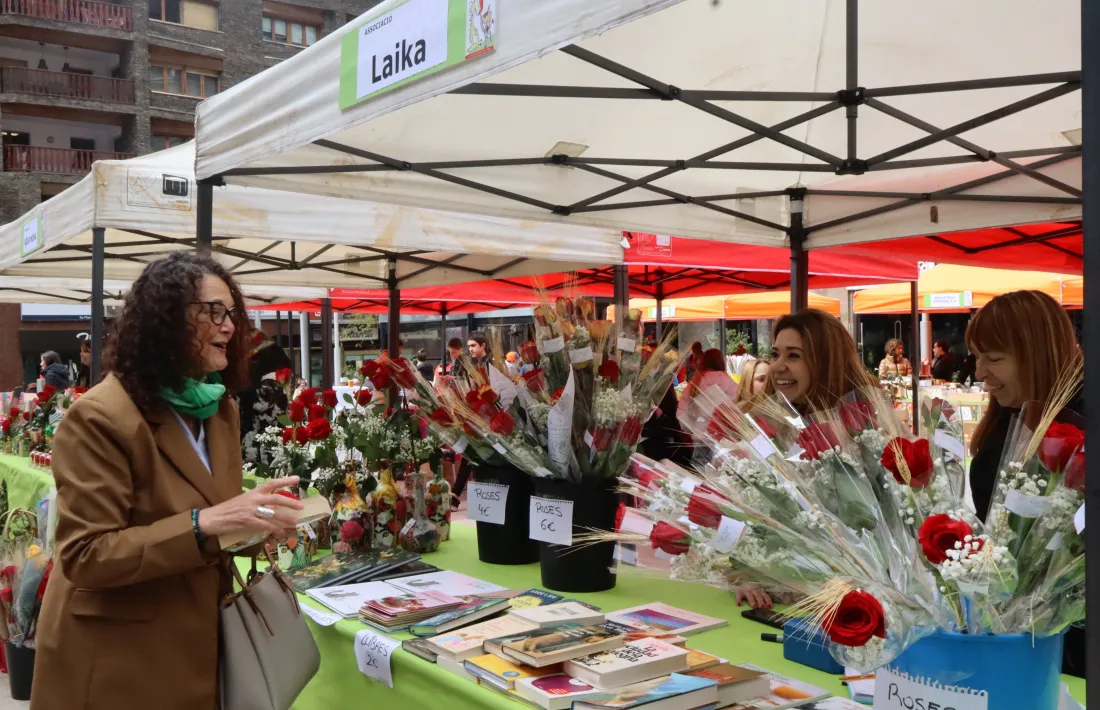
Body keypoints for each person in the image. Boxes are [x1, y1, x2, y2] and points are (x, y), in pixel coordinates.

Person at [31, 252, 303, 709]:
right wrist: (202, 523)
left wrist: (259, 525)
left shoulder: (220, 410)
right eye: (213, 311)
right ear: (165, 322)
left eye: (231, 312)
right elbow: (86, 555)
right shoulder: (100, 416)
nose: (230, 326)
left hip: (196, 647)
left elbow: (217, 526)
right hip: (118, 661)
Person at [964, 289, 1084, 677]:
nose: (980, 373)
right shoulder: (1005, 423)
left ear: (1037, 355)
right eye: (977, 357)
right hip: (1011, 633)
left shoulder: (1078, 424)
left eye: (994, 359)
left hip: (1071, 647)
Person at [770, 308, 878, 414]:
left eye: (793, 355)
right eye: (775, 354)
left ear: (827, 362)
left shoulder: (867, 420)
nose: (776, 367)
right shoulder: (766, 420)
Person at [239, 329, 293, 465]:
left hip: (263, 439)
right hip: (256, 436)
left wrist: (238, 391)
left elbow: (260, 403)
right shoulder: (267, 368)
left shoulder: (272, 372)